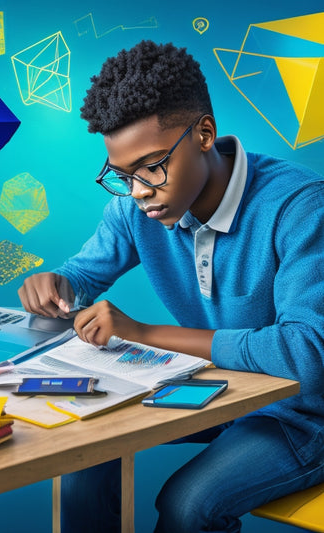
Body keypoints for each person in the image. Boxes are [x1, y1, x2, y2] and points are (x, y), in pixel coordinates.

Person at [18, 40, 324, 532]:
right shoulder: (138, 206)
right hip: (220, 390)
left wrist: (143, 332)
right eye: (122, 175)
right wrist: (59, 286)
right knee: (83, 450)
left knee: (187, 504)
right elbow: (83, 275)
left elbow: (306, 354)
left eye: (153, 166)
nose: (139, 191)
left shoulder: (300, 207)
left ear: (205, 134)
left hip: (304, 413)